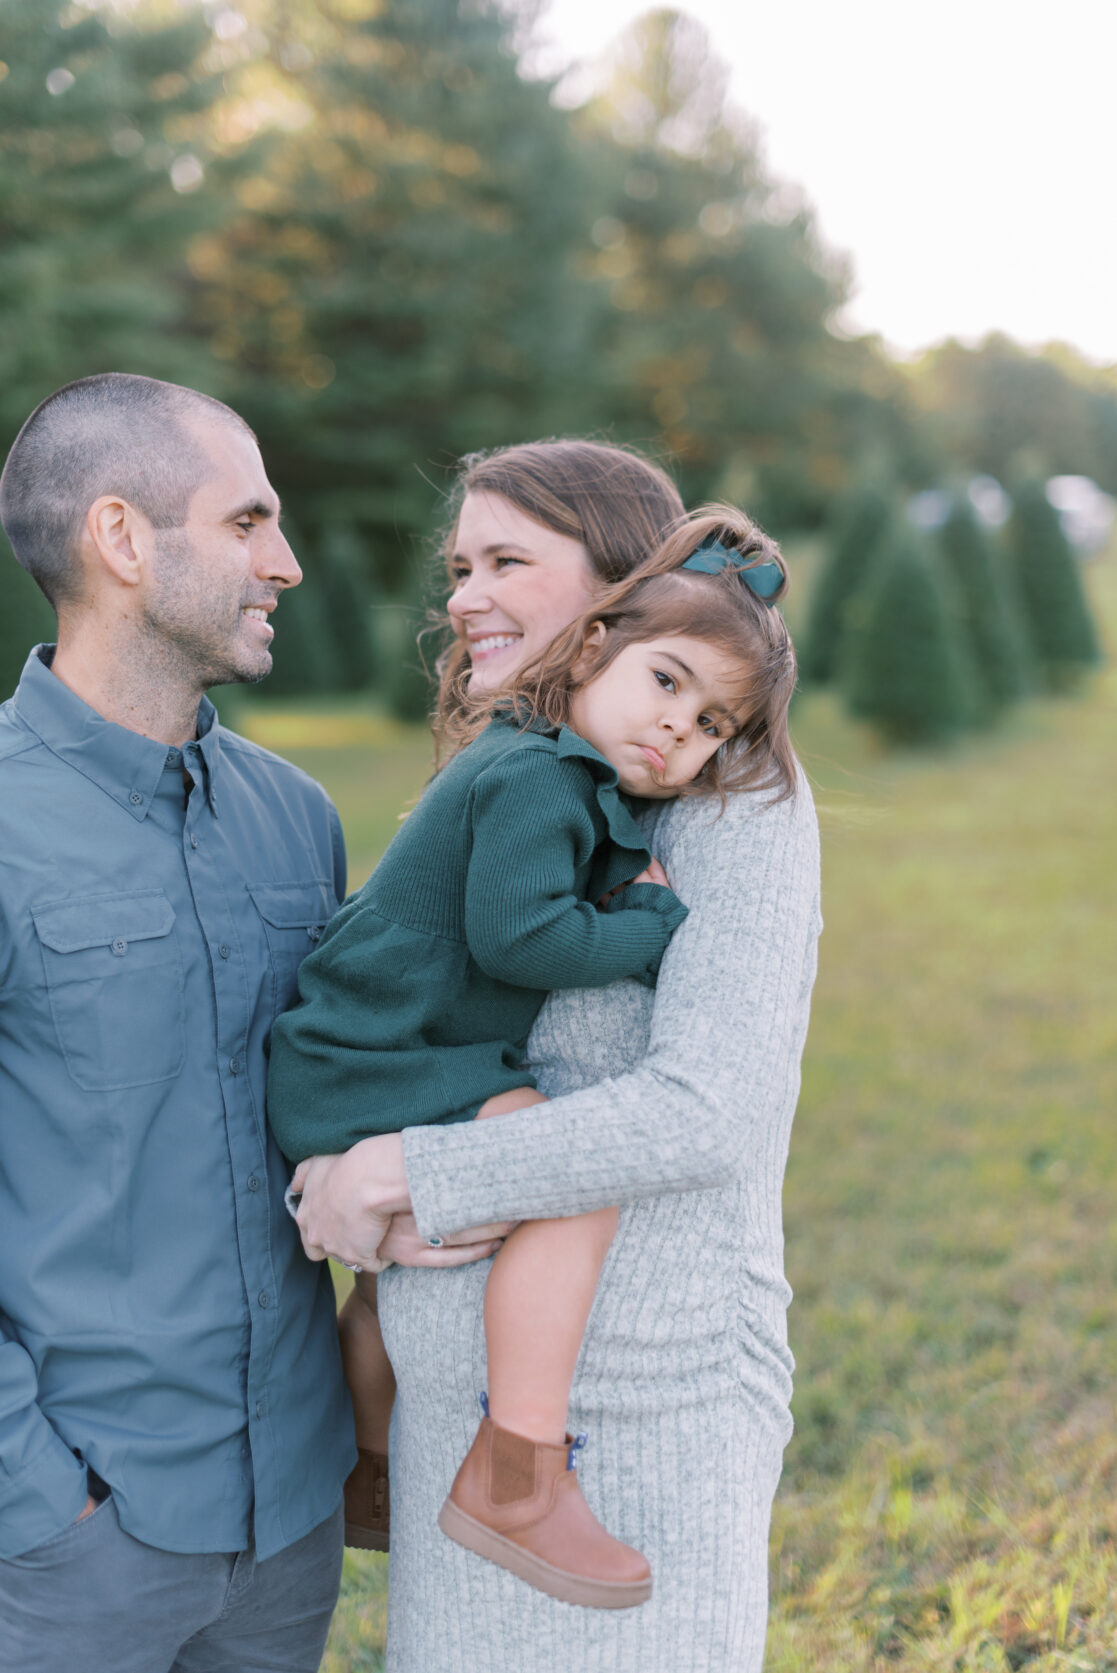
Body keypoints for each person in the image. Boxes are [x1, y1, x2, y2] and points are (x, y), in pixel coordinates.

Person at [290, 440, 823, 1673]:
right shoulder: (537, 772)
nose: (463, 595)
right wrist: (344, 1184)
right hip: (447, 1436)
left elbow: (705, 1110)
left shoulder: (730, 808)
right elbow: (417, 1030)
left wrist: (407, 1173)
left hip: (630, 1422)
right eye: (459, 565)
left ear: (614, 596)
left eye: (505, 561)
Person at [0, 373, 360, 1673]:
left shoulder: (295, 817)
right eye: (249, 521)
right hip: (68, 1547)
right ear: (122, 540)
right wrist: (40, 1509)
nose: (290, 562)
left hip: (290, 1519)